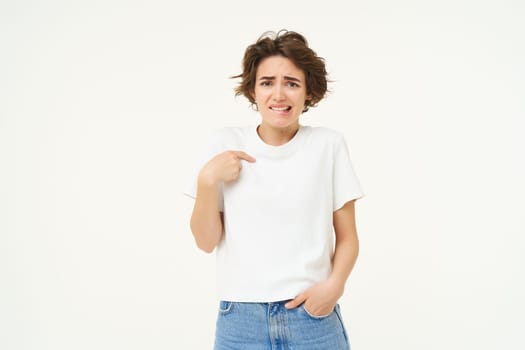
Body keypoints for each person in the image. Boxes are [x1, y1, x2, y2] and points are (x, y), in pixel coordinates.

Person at [184, 29, 364, 350]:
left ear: (308, 92)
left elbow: (348, 237)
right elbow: (205, 241)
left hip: (312, 318)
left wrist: (333, 288)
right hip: (241, 320)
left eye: (291, 83)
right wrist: (207, 181)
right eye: (267, 82)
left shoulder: (328, 145)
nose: (278, 94)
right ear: (253, 91)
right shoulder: (224, 144)